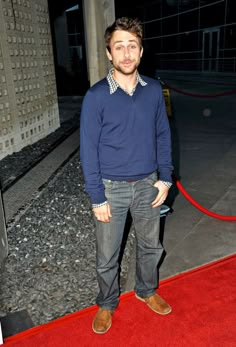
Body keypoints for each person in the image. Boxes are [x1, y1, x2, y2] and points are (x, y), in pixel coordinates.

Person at [80, 17, 173, 334]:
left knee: (151, 246)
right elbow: (88, 150)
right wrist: (97, 197)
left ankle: (147, 290)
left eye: (132, 45)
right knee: (108, 255)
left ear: (141, 50)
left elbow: (163, 134)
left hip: (149, 185)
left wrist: (166, 177)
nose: (126, 52)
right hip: (111, 189)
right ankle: (106, 303)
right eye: (119, 46)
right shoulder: (96, 97)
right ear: (109, 53)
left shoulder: (154, 90)